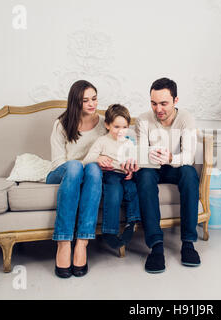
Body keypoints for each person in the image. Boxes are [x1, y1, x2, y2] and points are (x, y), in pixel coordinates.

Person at [134, 77, 200, 274]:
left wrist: (171, 157)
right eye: (154, 103)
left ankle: (188, 243)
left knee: (189, 172)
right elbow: (141, 154)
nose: (158, 109)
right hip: (151, 167)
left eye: (164, 103)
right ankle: (156, 246)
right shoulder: (143, 120)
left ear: (175, 100)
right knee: (144, 175)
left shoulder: (186, 118)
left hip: (174, 165)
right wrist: (150, 155)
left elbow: (188, 156)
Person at [47, 80, 109, 279]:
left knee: (93, 168)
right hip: (63, 173)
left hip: (90, 175)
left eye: (94, 98)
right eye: (85, 100)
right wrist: (88, 162)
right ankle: (63, 242)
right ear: (76, 102)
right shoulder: (62, 123)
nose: (92, 104)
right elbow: (58, 162)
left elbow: (114, 146)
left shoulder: (104, 124)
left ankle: (82, 242)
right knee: (76, 166)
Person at [83, 104, 141, 250]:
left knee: (133, 189)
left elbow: (135, 161)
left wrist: (131, 170)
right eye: (116, 127)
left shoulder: (128, 143)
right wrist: (98, 158)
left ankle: (132, 222)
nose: (121, 131)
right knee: (114, 192)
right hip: (110, 174)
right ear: (107, 125)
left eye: (124, 127)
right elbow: (86, 159)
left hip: (124, 175)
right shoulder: (102, 141)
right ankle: (109, 231)